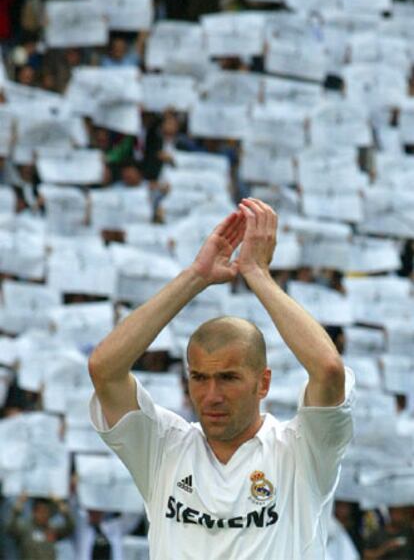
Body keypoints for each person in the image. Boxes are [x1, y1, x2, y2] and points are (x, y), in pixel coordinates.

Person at [88, 198, 354, 559]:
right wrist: (194, 277)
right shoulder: (162, 448)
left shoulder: (301, 451)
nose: (211, 394)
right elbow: (104, 369)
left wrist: (257, 274)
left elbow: (328, 370)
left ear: (264, 383)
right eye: (199, 377)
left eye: (228, 378)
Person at [6, 494, 74, 560]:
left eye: (45, 512)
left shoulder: (53, 529)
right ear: (34, 512)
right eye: (40, 512)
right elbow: (10, 528)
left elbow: (70, 527)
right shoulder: (25, 528)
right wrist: (18, 506)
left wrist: (60, 503)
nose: (43, 515)